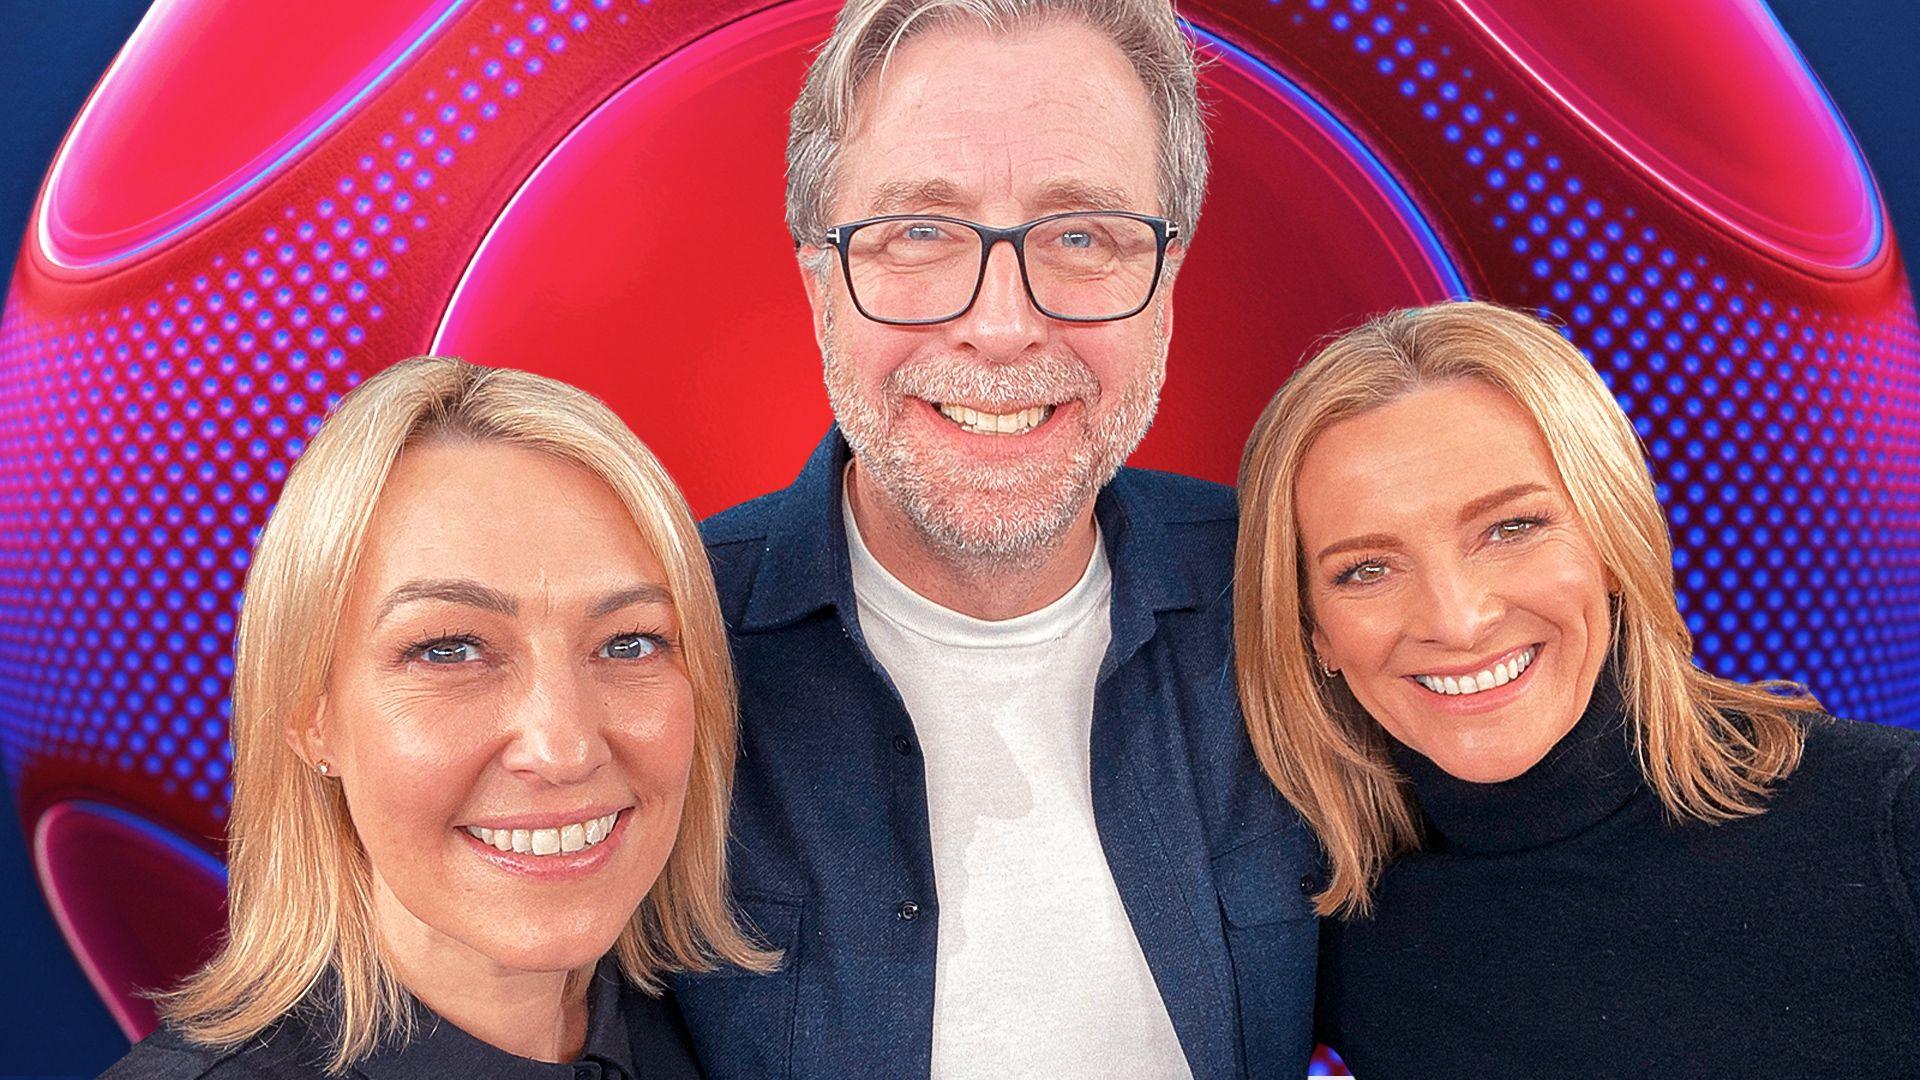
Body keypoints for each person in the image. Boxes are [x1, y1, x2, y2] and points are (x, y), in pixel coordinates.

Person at [665, 1, 1319, 1077]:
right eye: (920, 232)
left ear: (1167, 285)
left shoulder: (1291, 595)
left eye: (1080, 235)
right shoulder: (651, 647)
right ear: (819, 283)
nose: (1005, 324)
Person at [1233, 299, 1920, 1076]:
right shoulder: (1336, 938)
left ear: (1613, 540)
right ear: (1314, 631)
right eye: (1366, 570)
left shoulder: (1890, 820)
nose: (1457, 622)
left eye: (1512, 528)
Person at [102, 357, 774, 1078]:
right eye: (450, 649)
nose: (564, 748)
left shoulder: (726, 1041)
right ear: (307, 712)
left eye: (629, 643)